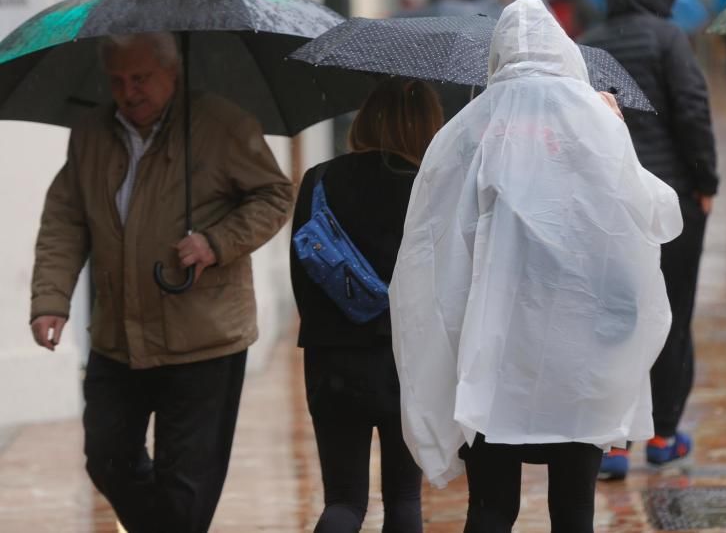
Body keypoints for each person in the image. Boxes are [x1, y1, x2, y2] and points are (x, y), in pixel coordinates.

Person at [390, 0, 682, 532]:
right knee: (574, 508)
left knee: (491, 507)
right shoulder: (595, 121)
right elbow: (659, 215)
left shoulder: (466, 130)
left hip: (492, 351)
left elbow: (430, 243)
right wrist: (618, 135)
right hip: (581, 349)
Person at [29, 32, 293, 533]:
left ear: (172, 71)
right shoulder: (89, 132)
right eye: (118, 80)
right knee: (106, 456)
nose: (129, 91)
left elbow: (275, 197)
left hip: (204, 337)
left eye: (141, 78)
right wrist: (50, 299)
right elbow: (65, 219)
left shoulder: (220, 124)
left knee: (186, 489)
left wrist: (216, 242)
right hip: (118, 336)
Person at [579, 0, 718, 478]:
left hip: (609, 202)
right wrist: (706, 184)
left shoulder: (590, 42)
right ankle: (662, 434)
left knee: (614, 319)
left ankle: (614, 443)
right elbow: (691, 111)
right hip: (671, 202)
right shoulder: (669, 39)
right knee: (672, 314)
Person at [290, 80, 444, 533]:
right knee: (402, 500)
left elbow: (303, 272)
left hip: (332, 360)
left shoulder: (319, 179)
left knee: (343, 500)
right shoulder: (430, 189)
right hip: (406, 363)